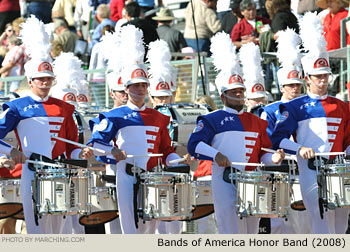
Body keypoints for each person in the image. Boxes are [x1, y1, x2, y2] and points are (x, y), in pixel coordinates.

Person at [0, 15, 93, 234]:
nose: (44, 82)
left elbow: (71, 146)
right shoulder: (16, 107)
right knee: (36, 231)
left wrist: (83, 153)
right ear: (30, 80)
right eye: (40, 78)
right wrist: (12, 150)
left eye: (48, 79)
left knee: (58, 232)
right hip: (32, 171)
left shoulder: (64, 107)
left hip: (60, 172)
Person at [88, 24, 184, 234]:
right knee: (129, 228)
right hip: (125, 175)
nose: (140, 89)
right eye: (135, 86)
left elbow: (166, 150)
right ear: (126, 88)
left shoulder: (158, 117)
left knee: (151, 227)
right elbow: (95, 143)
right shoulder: (114, 115)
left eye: (143, 85)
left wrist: (178, 161)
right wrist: (112, 151)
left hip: (153, 176)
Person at [187, 32, 285, 234]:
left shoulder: (257, 121)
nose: (239, 95)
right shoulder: (211, 119)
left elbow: (262, 154)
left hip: (252, 180)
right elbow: (194, 145)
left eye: (241, 91)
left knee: (251, 231)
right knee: (230, 228)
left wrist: (274, 158)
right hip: (224, 178)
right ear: (223, 96)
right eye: (234, 92)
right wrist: (216, 155)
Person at [271, 12, 350, 234]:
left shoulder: (342, 106)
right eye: (318, 76)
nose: (323, 81)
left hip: (339, 170)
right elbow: (278, 138)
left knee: (341, 225)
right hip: (310, 170)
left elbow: (348, 139)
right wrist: (300, 148)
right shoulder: (295, 107)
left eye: (325, 76)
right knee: (320, 222)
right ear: (308, 79)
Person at [258, 28, 311, 234]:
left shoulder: (309, 108)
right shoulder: (270, 111)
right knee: (281, 222)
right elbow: (266, 142)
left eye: (297, 84)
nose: (295, 88)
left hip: (305, 166)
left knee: (306, 219)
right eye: (290, 85)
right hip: (280, 168)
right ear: (282, 87)